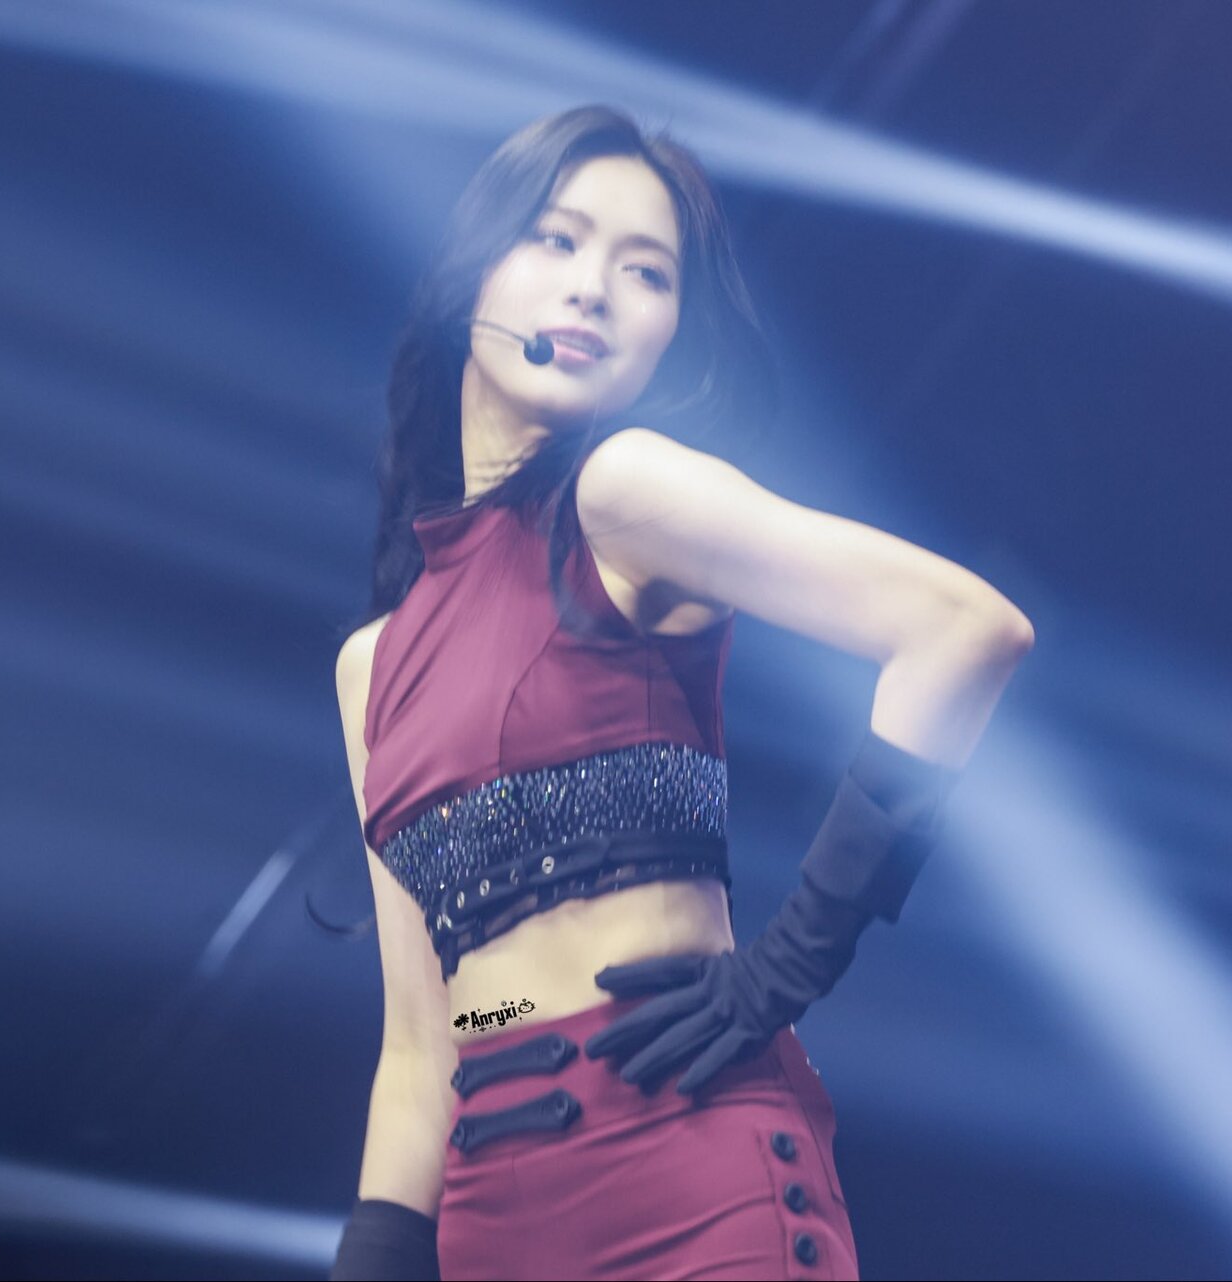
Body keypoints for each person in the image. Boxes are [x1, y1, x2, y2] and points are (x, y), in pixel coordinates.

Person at [327, 104, 1033, 1281]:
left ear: (666, 334)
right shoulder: (372, 667)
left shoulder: (620, 495)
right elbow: (421, 1046)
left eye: (644, 271)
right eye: (556, 239)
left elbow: (963, 630)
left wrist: (786, 968)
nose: (592, 288)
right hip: (493, 1225)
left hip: (693, 1173)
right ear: (473, 269)